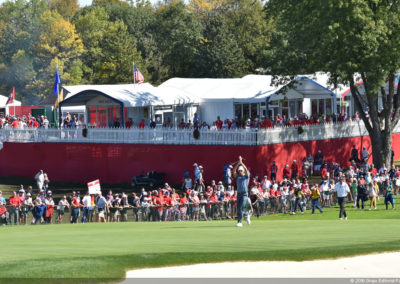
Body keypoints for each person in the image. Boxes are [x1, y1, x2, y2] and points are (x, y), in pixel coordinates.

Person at [233, 156, 250, 227]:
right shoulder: (237, 176)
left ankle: (240, 221)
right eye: (239, 171)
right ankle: (246, 216)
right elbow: (234, 170)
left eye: (241, 170)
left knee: (241, 207)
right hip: (239, 194)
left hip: (244, 194)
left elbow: (246, 169)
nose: (240, 172)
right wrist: (238, 163)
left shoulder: (246, 176)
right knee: (239, 208)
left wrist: (241, 162)